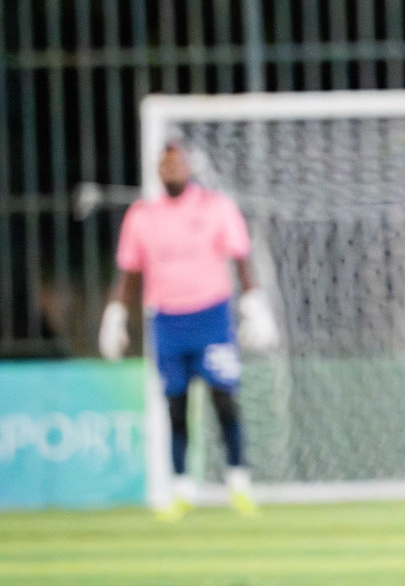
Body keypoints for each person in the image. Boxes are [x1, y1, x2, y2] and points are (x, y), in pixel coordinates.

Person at [99, 141, 280, 520]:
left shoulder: (216, 207)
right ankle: (181, 488)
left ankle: (239, 483)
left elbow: (241, 259)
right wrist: (115, 314)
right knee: (175, 405)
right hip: (167, 320)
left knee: (224, 399)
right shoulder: (142, 216)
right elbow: (129, 272)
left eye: (177, 163)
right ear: (157, 170)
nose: (171, 170)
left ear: (189, 167)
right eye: (164, 164)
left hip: (212, 316)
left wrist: (254, 304)